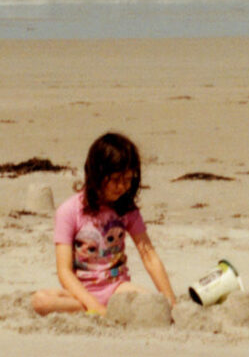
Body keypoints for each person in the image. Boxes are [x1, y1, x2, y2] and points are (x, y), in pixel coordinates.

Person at [33, 131, 179, 315]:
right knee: (40, 300)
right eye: (116, 180)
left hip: (118, 290)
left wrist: (172, 303)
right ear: (97, 174)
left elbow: (149, 256)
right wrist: (95, 306)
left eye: (127, 180)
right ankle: (94, 311)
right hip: (81, 295)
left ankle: (104, 312)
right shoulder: (68, 211)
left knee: (154, 306)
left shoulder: (127, 210)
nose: (122, 187)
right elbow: (64, 272)